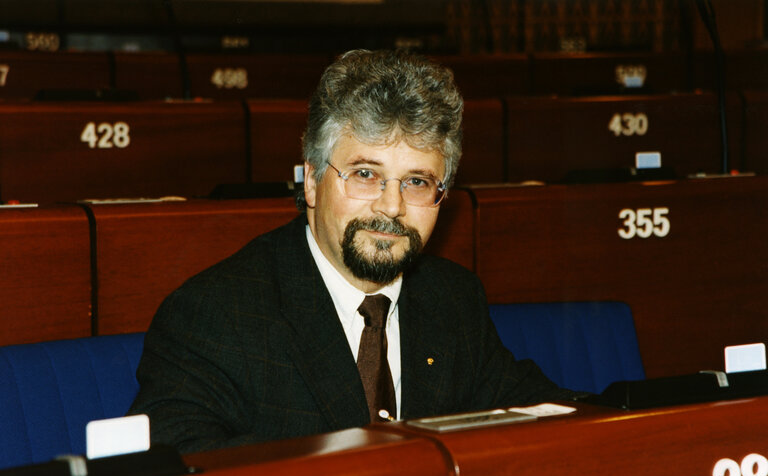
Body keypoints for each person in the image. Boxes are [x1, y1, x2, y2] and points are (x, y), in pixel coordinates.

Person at [128, 49, 579, 454]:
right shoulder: (213, 315)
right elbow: (181, 474)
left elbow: (547, 418)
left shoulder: (453, 299)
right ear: (310, 181)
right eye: (365, 174)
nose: (392, 206)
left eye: (417, 182)